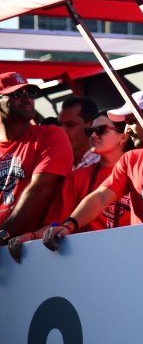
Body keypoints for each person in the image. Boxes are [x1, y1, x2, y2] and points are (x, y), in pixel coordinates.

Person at [41, 90, 143, 251]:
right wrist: (69, 224)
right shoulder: (130, 159)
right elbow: (101, 196)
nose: (127, 130)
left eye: (132, 121)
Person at [7, 112, 131, 263]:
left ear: (123, 136)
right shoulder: (76, 177)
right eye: (90, 131)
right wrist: (31, 236)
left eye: (101, 130)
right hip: (90, 259)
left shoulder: (139, 171)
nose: (93, 136)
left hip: (132, 254)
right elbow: (56, 224)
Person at [0, 72, 72, 246]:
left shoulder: (50, 135)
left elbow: (40, 191)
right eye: (17, 94)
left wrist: (2, 236)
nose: (27, 99)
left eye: (30, 93)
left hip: (35, 248)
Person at [58, 96, 100, 169]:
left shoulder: (104, 162)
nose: (62, 131)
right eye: (60, 125)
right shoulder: (57, 165)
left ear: (91, 125)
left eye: (70, 125)